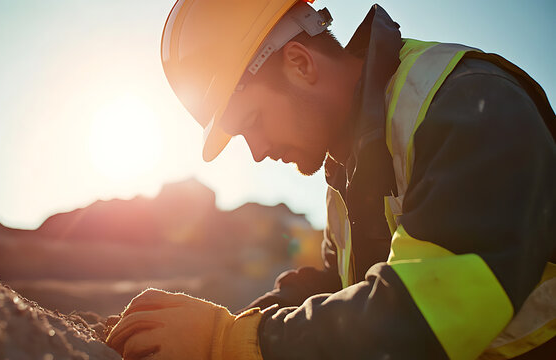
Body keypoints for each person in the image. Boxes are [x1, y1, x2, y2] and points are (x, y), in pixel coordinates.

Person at [106, 1, 556, 359]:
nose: (258, 151)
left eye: (253, 122)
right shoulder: (348, 163)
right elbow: (334, 284)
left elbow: (431, 310)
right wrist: (224, 322)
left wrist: (231, 341)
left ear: (300, 64)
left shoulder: (467, 103)